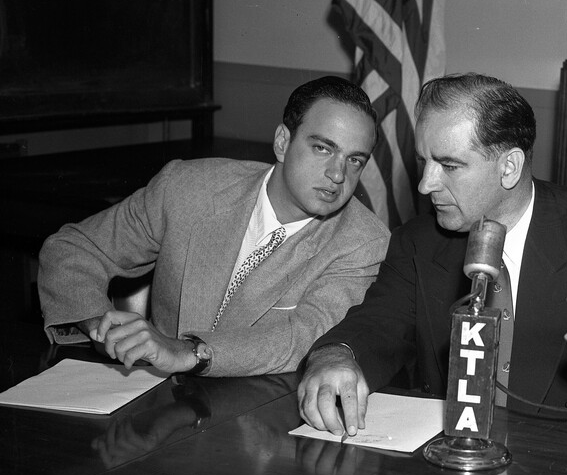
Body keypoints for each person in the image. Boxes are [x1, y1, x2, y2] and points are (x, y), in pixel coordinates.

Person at [297, 72, 567, 436]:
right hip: (451, 457)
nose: (424, 185)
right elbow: (379, 324)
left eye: (449, 165)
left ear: (509, 167)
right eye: (424, 162)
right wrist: (337, 353)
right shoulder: (419, 239)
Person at [38, 76, 390, 377]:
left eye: (354, 160)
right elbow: (72, 249)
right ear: (283, 142)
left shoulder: (364, 241)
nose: (338, 175)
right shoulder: (187, 187)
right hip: (152, 396)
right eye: (323, 148)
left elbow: (305, 336)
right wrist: (101, 326)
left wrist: (188, 351)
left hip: (259, 417)